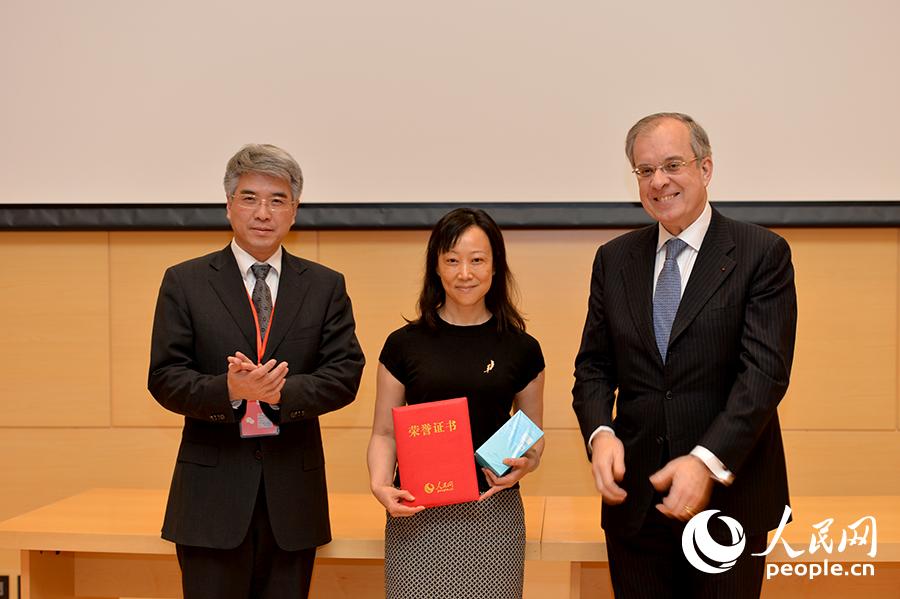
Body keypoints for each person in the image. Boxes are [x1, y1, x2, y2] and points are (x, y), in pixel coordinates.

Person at [572, 113, 797, 597]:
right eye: (644, 170)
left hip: (728, 503)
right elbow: (593, 367)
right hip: (634, 506)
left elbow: (763, 377)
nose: (658, 181)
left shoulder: (761, 253)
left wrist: (704, 460)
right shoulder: (614, 259)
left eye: (673, 164)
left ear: (706, 169)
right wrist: (600, 433)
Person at [148, 144, 365, 599]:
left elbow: (345, 373)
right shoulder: (185, 282)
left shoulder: (326, 286)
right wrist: (228, 389)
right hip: (211, 499)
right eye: (249, 198)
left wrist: (277, 393)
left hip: (293, 499)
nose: (263, 212)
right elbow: (165, 376)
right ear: (228, 206)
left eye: (277, 200)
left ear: (294, 211)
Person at [367, 208, 545, 599]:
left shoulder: (521, 348)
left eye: (477, 260)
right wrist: (381, 485)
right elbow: (384, 432)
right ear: (436, 267)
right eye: (452, 260)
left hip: (492, 513)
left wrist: (526, 464)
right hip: (417, 514)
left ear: (496, 267)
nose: (465, 273)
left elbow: (532, 435)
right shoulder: (403, 345)